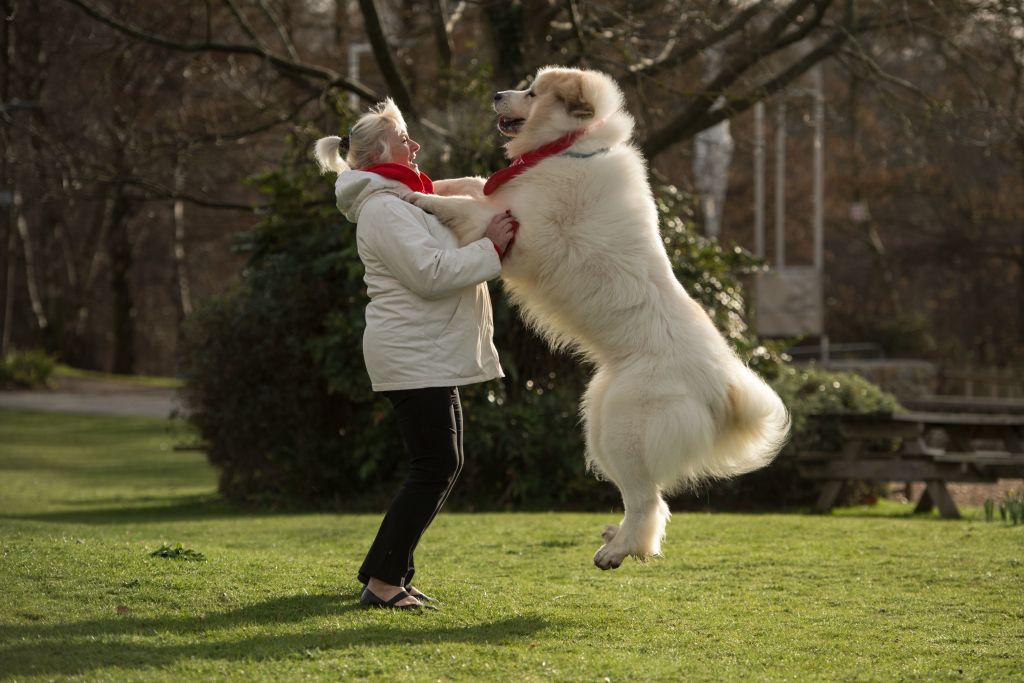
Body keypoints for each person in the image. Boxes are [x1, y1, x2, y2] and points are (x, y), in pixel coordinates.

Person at [314, 99, 517, 610]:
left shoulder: (404, 198)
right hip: (409, 353)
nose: (416, 145)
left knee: (441, 463)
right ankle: (383, 583)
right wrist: (492, 248)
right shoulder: (383, 209)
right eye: (406, 138)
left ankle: (389, 574)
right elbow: (430, 274)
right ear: (382, 150)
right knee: (435, 465)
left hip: (425, 351)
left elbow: (464, 197)